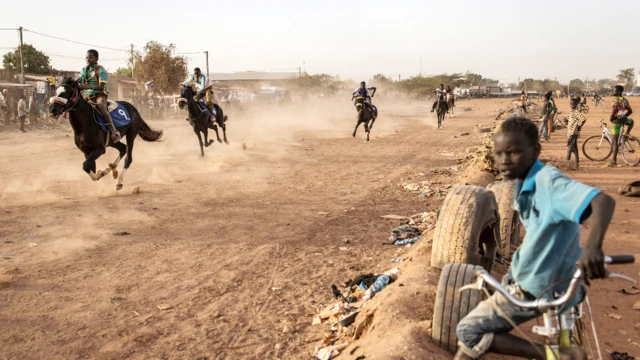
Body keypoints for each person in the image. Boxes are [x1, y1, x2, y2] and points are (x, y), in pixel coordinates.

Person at [454, 116, 615, 360]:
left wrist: (593, 248)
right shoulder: (525, 182)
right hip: (552, 280)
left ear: (536, 150)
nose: (504, 160)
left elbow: (603, 200)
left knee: (469, 331)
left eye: (514, 152)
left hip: (537, 285)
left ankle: (554, 354)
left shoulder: (547, 181)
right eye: (498, 154)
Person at [78, 49, 120, 142]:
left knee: (101, 107)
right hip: (87, 96)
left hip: (100, 95)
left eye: (91, 58)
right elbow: (80, 81)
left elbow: (101, 87)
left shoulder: (101, 70)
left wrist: (86, 87)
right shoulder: (84, 70)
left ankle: (114, 131)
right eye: (87, 58)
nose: (88, 59)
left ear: (96, 59)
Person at [609, 85, 635, 166]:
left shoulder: (615, 100)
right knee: (631, 122)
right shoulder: (625, 100)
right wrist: (623, 116)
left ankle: (614, 160)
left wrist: (611, 118)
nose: (613, 92)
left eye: (615, 90)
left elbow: (615, 110)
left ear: (619, 92)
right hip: (623, 120)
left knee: (614, 142)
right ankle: (627, 133)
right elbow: (630, 111)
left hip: (616, 122)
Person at [567, 97, 587, 167]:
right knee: (574, 148)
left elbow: (583, 119)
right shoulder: (571, 111)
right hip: (570, 132)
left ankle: (567, 161)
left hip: (573, 132)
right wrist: (566, 120)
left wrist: (579, 127)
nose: (572, 105)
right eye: (571, 104)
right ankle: (577, 162)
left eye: (574, 104)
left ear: (577, 104)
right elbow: (571, 121)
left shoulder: (576, 112)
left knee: (570, 147)